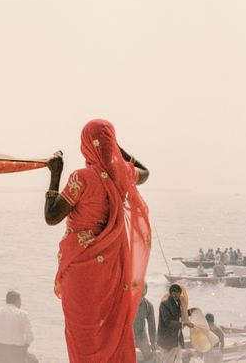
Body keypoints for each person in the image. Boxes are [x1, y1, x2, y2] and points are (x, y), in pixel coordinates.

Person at [44, 119, 151, 362]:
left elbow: (51, 217)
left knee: (82, 334)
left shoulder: (81, 178)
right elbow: (146, 172)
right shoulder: (123, 175)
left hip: (80, 273)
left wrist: (55, 174)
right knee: (109, 329)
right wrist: (117, 151)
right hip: (111, 271)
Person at [0, 290, 36, 363]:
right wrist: (24, 346)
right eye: (20, 301)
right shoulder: (23, 314)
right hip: (15, 351)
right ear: (17, 301)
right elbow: (30, 337)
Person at [157, 284, 194, 363]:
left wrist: (190, 312)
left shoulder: (177, 303)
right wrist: (183, 324)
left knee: (176, 359)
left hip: (175, 338)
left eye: (178, 293)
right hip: (167, 339)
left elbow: (180, 313)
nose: (176, 295)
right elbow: (167, 322)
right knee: (168, 360)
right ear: (171, 292)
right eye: (174, 293)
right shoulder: (165, 304)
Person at [133, 282, 157, 362]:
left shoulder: (149, 306)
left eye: (144, 289)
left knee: (149, 357)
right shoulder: (128, 302)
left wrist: (153, 344)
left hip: (142, 335)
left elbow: (152, 326)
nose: (142, 291)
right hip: (128, 335)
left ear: (146, 291)